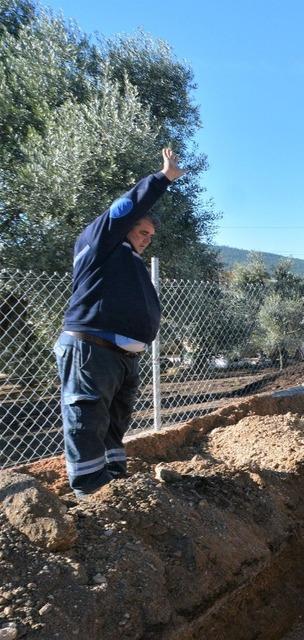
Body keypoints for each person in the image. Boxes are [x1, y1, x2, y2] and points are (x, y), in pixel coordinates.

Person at [55, 148, 185, 498]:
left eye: (149, 236)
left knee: (113, 425)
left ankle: (114, 484)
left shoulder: (127, 260)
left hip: (121, 356)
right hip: (91, 350)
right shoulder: (100, 243)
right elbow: (124, 209)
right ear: (124, 227)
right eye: (142, 231)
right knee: (86, 419)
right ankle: (91, 495)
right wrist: (163, 179)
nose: (146, 239)